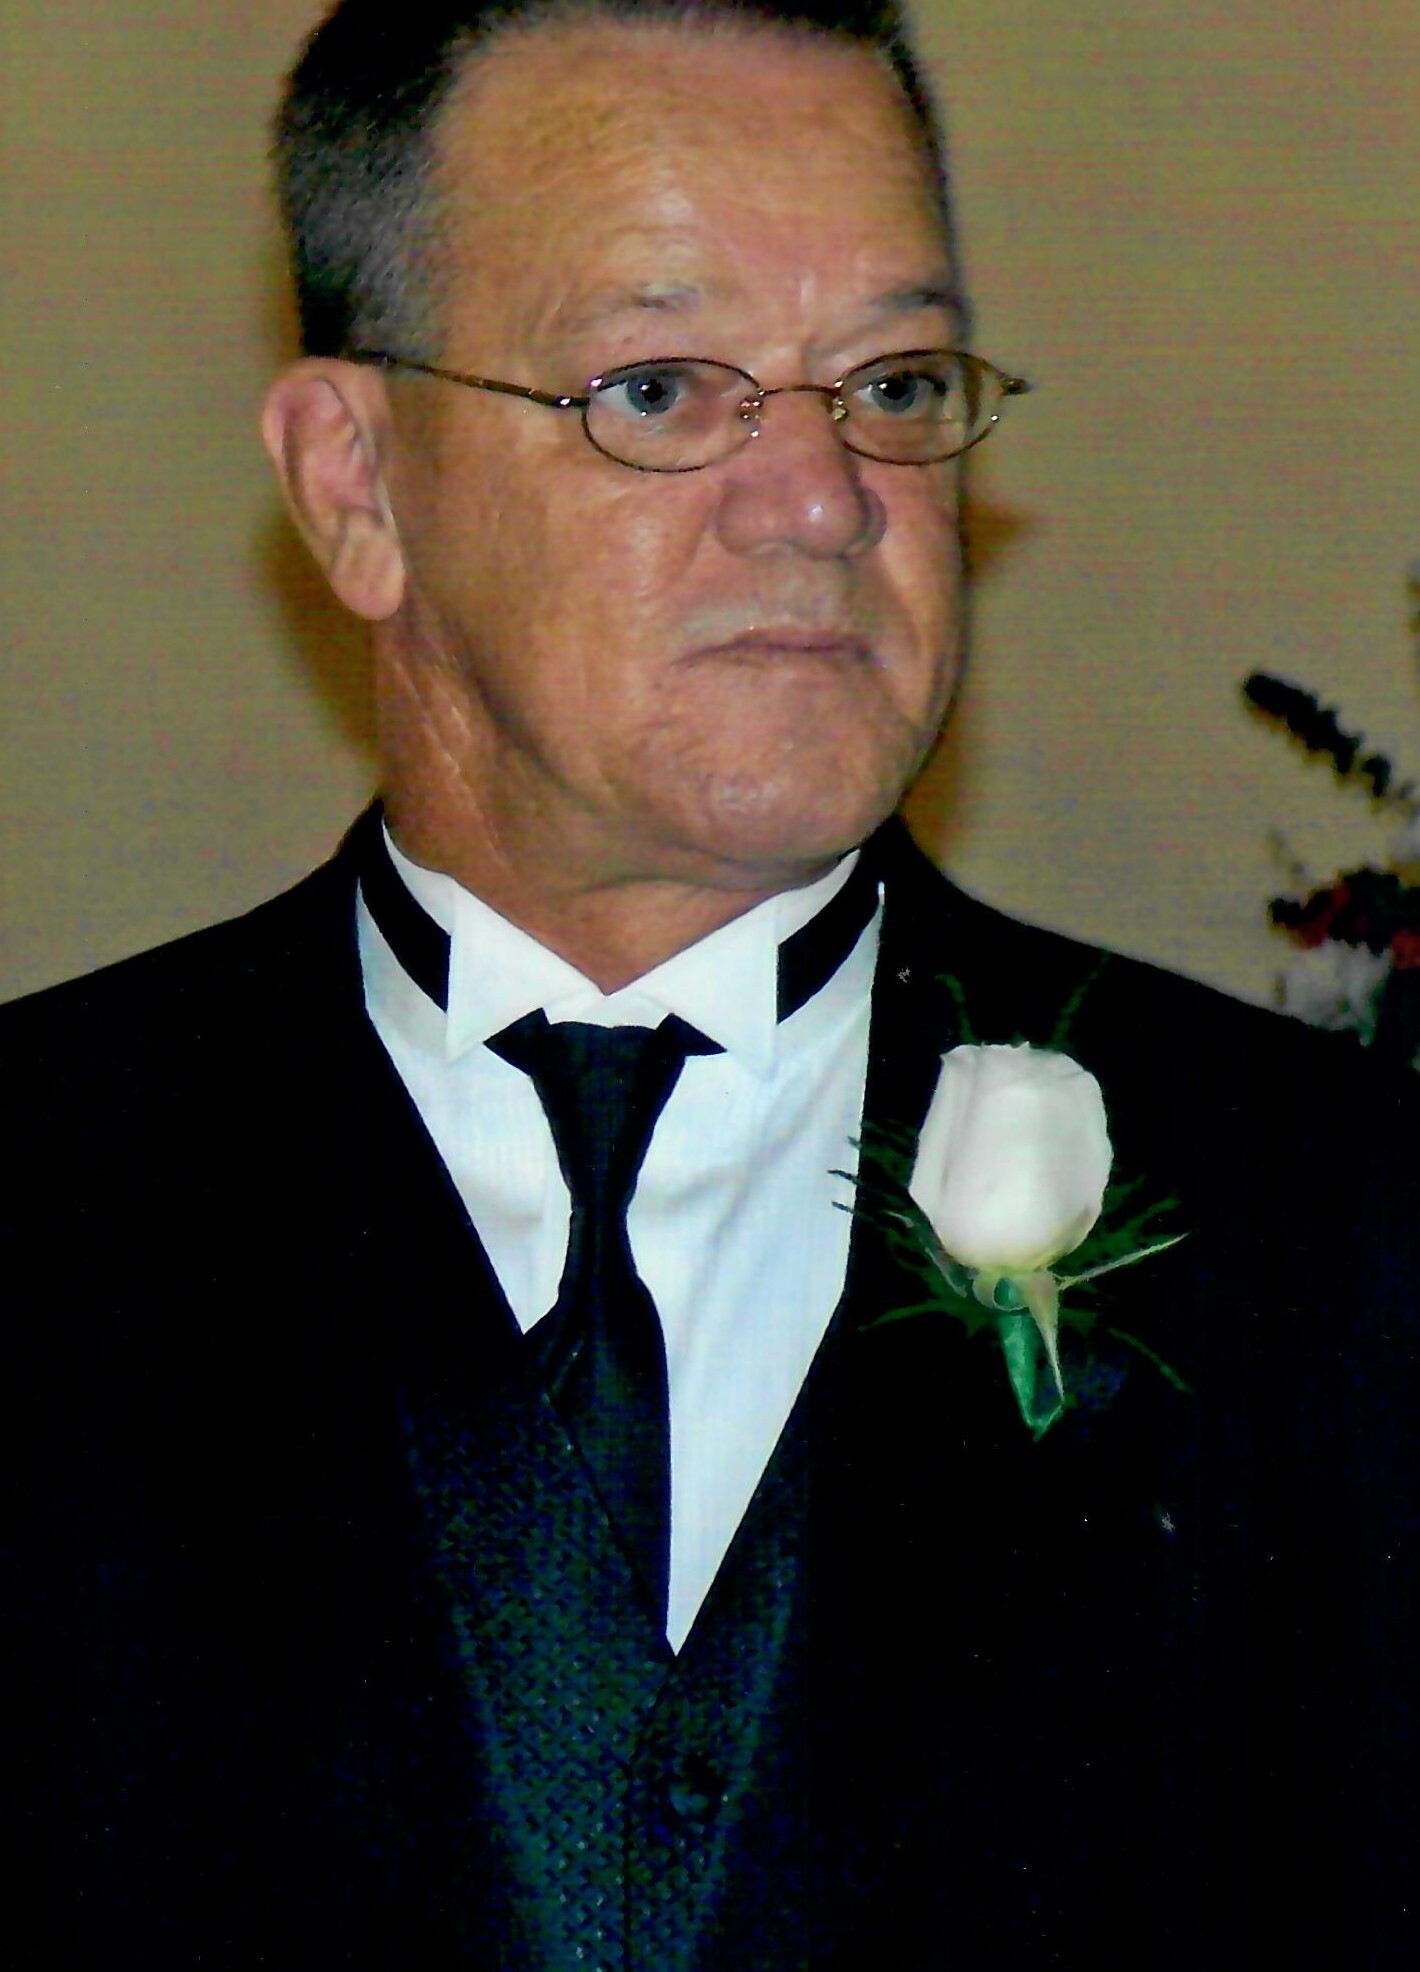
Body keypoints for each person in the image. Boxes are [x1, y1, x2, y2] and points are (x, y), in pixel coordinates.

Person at [2, 2, 1416, 1966]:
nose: (825, 499)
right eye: (659, 390)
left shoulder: (1338, 1217)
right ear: (355, 485)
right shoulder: (45, 1181)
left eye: (892, 384)